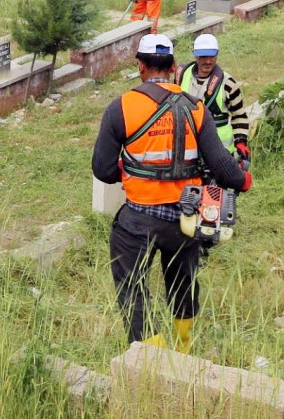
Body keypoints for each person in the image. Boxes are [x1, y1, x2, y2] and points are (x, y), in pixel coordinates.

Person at [92, 34, 251, 347]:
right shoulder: (195, 108)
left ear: (140, 67)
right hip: (186, 218)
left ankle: (151, 354)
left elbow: (103, 170)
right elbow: (221, 165)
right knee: (183, 282)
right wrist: (244, 180)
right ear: (174, 67)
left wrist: (132, 172)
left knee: (132, 284)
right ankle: (183, 345)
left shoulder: (121, 108)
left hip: (138, 219)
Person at [178, 34, 250, 162]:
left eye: (212, 56)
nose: (208, 61)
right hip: (188, 151)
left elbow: (239, 116)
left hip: (220, 154)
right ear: (195, 55)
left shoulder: (228, 83)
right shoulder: (182, 76)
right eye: (203, 56)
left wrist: (240, 141)